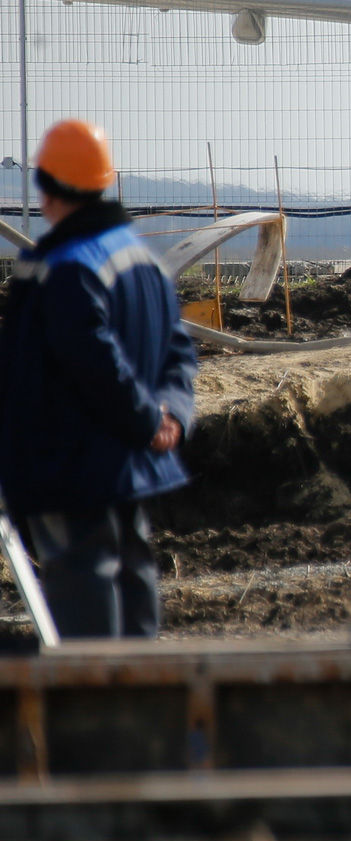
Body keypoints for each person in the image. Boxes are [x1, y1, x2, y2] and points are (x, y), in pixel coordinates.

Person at [0, 119, 197, 639]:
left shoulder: (61, 267)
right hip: (130, 468)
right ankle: (141, 707)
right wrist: (169, 415)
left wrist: (142, 420)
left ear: (47, 186)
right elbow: (178, 352)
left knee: (86, 589)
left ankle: (97, 713)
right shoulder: (143, 262)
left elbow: (93, 360)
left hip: (69, 468)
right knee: (134, 577)